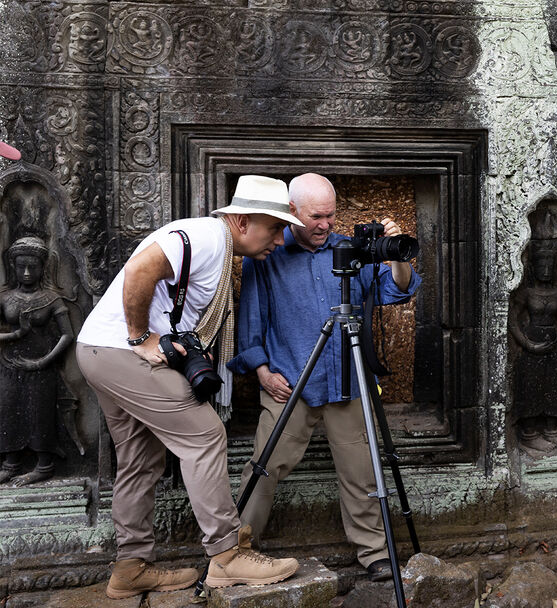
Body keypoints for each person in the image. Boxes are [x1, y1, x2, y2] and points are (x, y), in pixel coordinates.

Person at [76, 175, 304, 599]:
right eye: (273, 226)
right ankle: (226, 555)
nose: (280, 236)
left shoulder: (216, 244)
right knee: (204, 433)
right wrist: (140, 336)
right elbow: (143, 267)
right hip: (116, 351)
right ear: (240, 221)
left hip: (96, 350)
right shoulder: (207, 237)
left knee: (140, 458)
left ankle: (130, 567)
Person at [227, 173, 420, 581]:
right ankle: (235, 550)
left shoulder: (350, 251)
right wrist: (261, 371)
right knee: (264, 465)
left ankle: (374, 552)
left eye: (331, 216)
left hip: (347, 380)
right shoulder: (267, 254)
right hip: (290, 381)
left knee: (362, 469)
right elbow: (251, 316)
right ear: (291, 213)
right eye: (317, 216)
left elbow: (399, 290)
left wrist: (397, 254)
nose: (326, 225)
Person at [0, 237, 74, 486]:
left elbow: (67, 335)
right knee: (8, 409)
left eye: (33, 266)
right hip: (9, 364)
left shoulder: (51, 299)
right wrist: (16, 334)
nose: (27, 272)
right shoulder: (6, 297)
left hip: (43, 366)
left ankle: (44, 465)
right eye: (21, 267)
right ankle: (11, 462)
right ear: (13, 267)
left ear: (43, 267)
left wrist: (44, 361)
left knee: (40, 412)